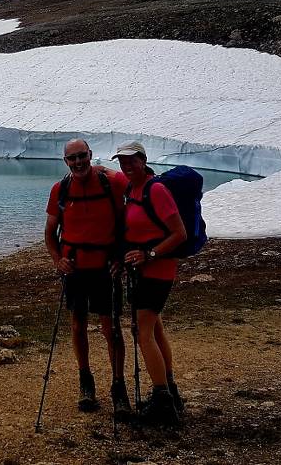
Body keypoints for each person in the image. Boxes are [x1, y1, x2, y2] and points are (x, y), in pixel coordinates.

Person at [43, 138, 132, 416]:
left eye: (83, 156)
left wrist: (122, 257)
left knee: (112, 330)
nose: (79, 162)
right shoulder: (60, 189)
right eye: (73, 158)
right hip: (76, 268)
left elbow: (137, 199)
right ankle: (86, 382)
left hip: (106, 267)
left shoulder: (111, 184)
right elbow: (50, 233)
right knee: (78, 325)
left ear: (91, 155)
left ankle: (118, 387)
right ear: (66, 161)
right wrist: (58, 261)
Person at [112, 140, 187, 426]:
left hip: (158, 271)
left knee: (143, 333)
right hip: (143, 270)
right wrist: (126, 258)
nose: (127, 166)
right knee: (155, 329)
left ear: (143, 160)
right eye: (122, 162)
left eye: (132, 161)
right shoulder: (133, 190)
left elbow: (179, 233)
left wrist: (149, 255)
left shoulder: (156, 190)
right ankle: (170, 391)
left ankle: (162, 401)